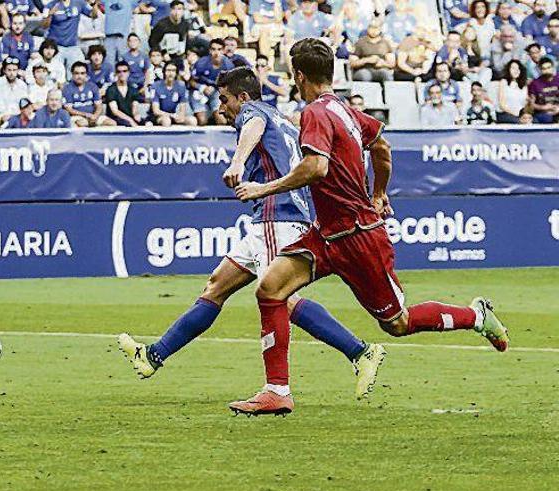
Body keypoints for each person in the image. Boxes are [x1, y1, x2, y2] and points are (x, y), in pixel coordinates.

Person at [225, 38, 508, 416]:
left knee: (397, 323)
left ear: (298, 75)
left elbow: (316, 168)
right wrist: (379, 192)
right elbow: (383, 148)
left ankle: (476, 316)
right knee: (271, 289)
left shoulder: (315, 113)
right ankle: (277, 390)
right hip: (327, 235)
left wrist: (265, 187)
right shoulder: (345, 109)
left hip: (358, 237)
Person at [118, 66, 386, 402]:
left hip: (279, 217)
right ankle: (153, 356)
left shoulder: (255, 112)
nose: (222, 108)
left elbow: (252, 125)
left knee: (281, 298)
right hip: (270, 219)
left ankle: (358, 353)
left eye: (226, 100)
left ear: (243, 97)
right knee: (216, 285)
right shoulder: (282, 118)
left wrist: (238, 161)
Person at [42, 0, 99, 74]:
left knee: (79, 71)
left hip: (73, 46)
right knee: (55, 74)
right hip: (56, 47)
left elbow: (94, 15)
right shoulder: (50, 5)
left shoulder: (79, 3)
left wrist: (94, 4)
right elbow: (43, 26)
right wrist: (50, 14)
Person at [190, 38, 233, 125]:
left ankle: (213, 110)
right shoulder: (201, 63)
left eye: (219, 49)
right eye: (213, 49)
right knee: (202, 121)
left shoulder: (229, 66)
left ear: (224, 51)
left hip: (217, 93)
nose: (216, 52)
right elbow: (191, 82)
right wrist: (202, 88)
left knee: (221, 121)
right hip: (199, 92)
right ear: (209, 50)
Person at [62, 60, 115, 126]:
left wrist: (95, 115)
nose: (79, 76)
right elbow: (69, 109)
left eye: (82, 73)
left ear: (86, 74)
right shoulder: (67, 88)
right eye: (77, 73)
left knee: (111, 123)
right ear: (72, 74)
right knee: (82, 123)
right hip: (76, 117)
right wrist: (86, 115)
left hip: (93, 115)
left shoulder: (92, 86)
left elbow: (99, 105)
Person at [149, 60, 195, 125]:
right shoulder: (156, 86)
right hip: (159, 116)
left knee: (192, 120)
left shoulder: (181, 85)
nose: (171, 73)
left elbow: (182, 108)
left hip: (174, 115)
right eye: (168, 70)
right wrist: (170, 115)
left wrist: (180, 117)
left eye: (173, 71)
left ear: (176, 73)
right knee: (167, 121)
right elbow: (156, 111)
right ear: (164, 72)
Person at [0, 56, 29, 126]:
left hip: (18, 117)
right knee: (6, 118)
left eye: (14, 70)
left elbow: (23, 105)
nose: (12, 73)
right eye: (9, 70)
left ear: (18, 71)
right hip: (0, 118)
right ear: (4, 70)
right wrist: (13, 117)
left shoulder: (23, 85)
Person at [104, 60, 144, 126]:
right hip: (116, 119)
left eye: (125, 71)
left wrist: (136, 116)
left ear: (128, 73)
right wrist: (130, 120)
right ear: (116, 73)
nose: (122, 74)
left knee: (148, 123)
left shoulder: (133, 89)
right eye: (119, 72)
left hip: (129, 118)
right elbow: (115, 111)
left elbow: (135, 107)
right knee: (127, 124)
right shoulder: (111, 89)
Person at [149, 0, 189, 65]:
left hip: (179, 56)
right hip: (164, 57)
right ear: (170, 10)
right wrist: (163, 53)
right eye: (174, 9)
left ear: (183, 11)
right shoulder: (161, 25)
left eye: (179, 9)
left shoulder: (185, 24)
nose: (177, 12)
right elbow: (152, 42)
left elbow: (186, 41)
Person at [528, 56, 559, 122]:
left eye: (549, 68)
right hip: (543, 113)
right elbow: (531, 105)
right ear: (540, 70)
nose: (547, 71)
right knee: (547, 118)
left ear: (553, 67)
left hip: (557, 109)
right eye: (544, 69)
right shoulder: (534, 83)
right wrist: (543, 107)